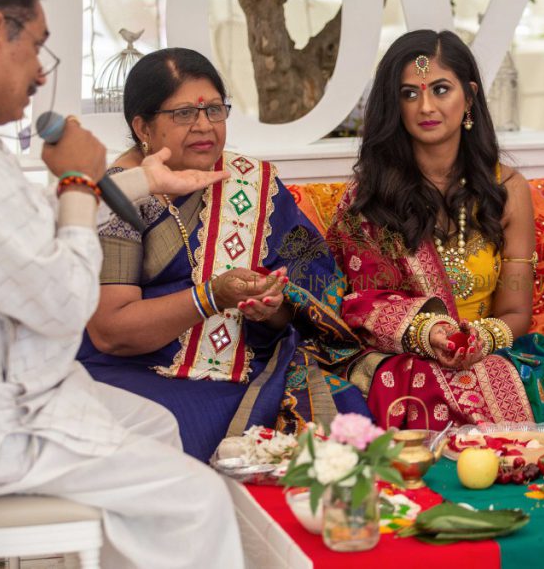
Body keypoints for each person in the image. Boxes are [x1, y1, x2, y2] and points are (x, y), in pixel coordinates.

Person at [0, 0, 242, 569]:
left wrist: (137, 182)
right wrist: (78, 179)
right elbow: (63, 305)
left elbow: (18, 234)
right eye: (40, 48)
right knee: (198, 501)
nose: (40, 75)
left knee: (156, 427)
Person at [78, 47, 370, 462]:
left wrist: (271, 308)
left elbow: (314, 285)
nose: (205, 126)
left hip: (252, 363)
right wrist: (212, 296)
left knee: (346, 412)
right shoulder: (120, 197)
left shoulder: (252, 183)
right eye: (184, 114)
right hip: (140, 372)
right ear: (142, 126)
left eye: (215, 110)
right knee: (174, 430)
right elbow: (112, 330)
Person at [327, 29, 544, 430]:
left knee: (507, 378)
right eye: (409, 94)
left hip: (489, 347)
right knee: (416, 381)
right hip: (402, 357)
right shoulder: (373, 197)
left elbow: (516, 311)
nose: (426, 106)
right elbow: (361, 303)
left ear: (468, 96)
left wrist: (478, 340)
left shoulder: (506, 189)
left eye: (440, 89)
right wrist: (429, 332)